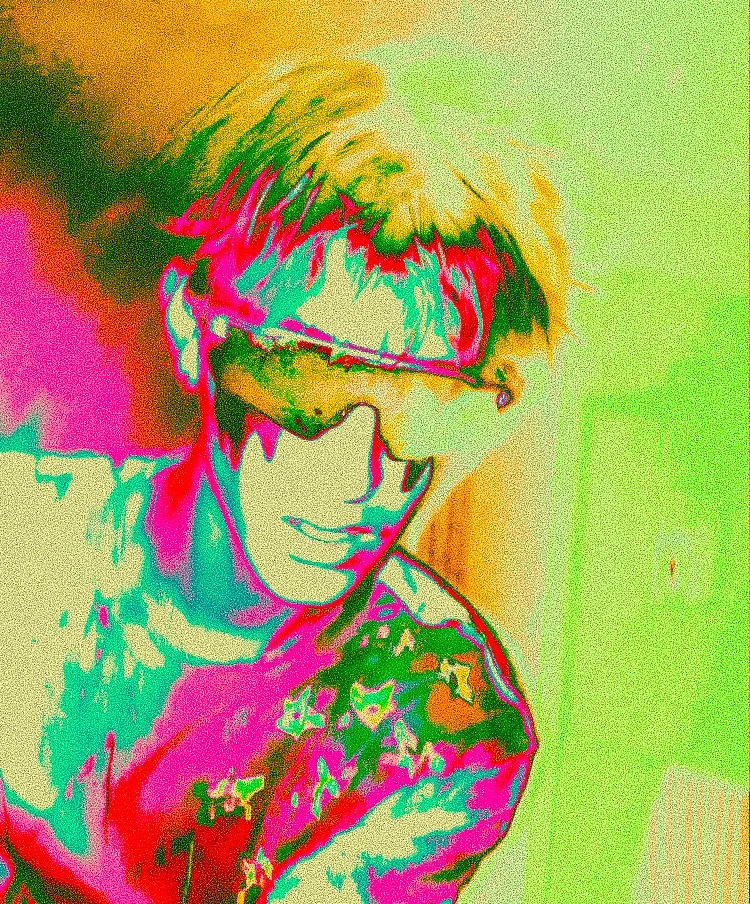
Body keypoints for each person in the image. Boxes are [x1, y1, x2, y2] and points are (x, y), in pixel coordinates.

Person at [0, 57, 569, 903]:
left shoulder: (444, 723)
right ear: (194, 331)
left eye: (426, 406)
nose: (364, 476)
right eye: (305, 378)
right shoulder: (20, 544)